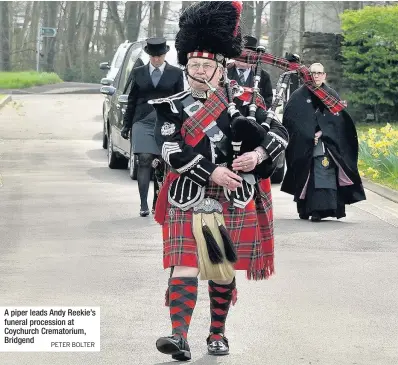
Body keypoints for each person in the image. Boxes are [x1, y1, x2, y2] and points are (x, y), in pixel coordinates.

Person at [149, 1, 289, 361]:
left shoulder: (248, 102)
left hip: (233, 196)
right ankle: (178, 335)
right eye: (192, 65)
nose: (197, 72)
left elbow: (280, 135)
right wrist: (210, 170)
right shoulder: (173, 106)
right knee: (185, 263)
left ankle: (217, 334)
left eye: (205, 66)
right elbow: (170, 150)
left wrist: (257, 156)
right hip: (188, 194)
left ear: (221, 68)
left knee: (220, 269)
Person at [281, 62, 366, 222]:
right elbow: (292, 120)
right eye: (313, 73)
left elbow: (338, 122)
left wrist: (322, 132)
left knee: (325, 173)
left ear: (324, 75)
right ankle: (306, 209)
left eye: (319, 73)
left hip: (328, 146)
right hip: (304, 146)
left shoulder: (331, 94)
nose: (316, 76)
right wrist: (308, 134)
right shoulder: (298, 96)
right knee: (306, 175)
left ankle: (324, 209)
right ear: (308, 75)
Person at [121, 37, 184, 217]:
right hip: (142, 121)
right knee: (145, 158)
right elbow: (132, 100)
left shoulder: (176, 74)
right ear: (149, 55)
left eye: (160, 56)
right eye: (153, 56)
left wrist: (181, 125)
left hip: (165, 122)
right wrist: (126, 125)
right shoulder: (139, 72)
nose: (156, 59)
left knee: (161, 162)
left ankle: (158, 201)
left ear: (165, 55)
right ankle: (143, 204)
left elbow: (180, 102)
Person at [227, 35, 273, 108]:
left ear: (254, 57)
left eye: (248, 53)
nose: (243, 56)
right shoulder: (223, 72)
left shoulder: (263, 76)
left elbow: (267, 99)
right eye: (241, 52)